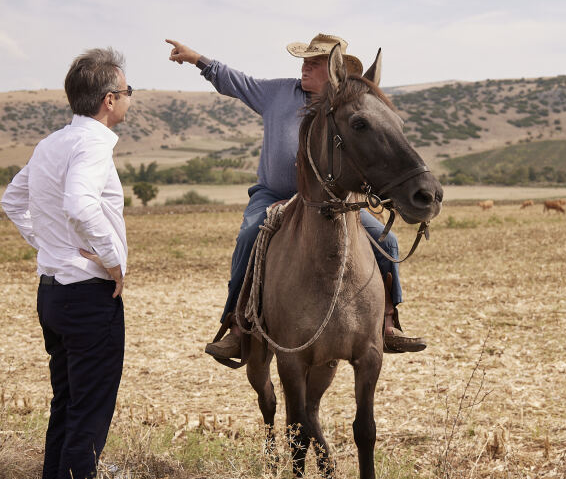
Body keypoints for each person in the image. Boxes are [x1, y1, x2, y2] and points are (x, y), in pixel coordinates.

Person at [164, 33, 426, 360]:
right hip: (273, 194)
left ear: (333, 69)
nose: (304, 68)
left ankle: (387, 324)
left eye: (314, 63)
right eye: (304, 61)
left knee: (387, 243)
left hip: (329, 201)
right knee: (249, 235)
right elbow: (236, 81)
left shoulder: (344, 106)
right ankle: (236, 324)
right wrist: (196, 59)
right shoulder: (277, 93)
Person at [1, 48, 131, 479]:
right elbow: (79, 203)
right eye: (128, 92)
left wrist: (50, 244)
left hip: (52, 293)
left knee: (66, 410)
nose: (128, 100)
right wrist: (112, 262)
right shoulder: (95, 143)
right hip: (87, 299)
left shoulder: (50, 143)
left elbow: (13, 199)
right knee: (88, 422)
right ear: (109, 99)